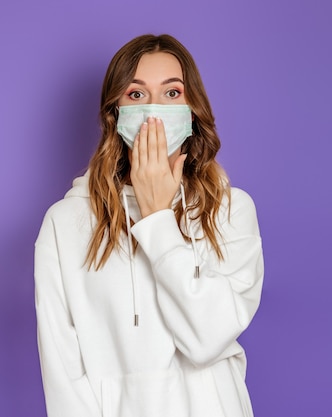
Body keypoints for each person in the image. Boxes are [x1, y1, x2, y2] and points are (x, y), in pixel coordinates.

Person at [34, 34, 264, 417]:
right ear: (115, 112)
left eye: (172, 93)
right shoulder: (65, 224)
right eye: (136, 95)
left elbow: (207, 339)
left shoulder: (230, 210)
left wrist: (157, 217)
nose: (155, 111)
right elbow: (63, 372)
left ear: (193, 110)